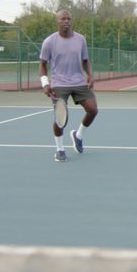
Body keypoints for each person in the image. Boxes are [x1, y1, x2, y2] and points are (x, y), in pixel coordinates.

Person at [40, 9, 98, 162]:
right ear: (57, 21)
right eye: (63, 18)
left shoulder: (80, 39)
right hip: (59, 84)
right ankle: (59, 149)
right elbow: (43, 64)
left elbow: (85, 60)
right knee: (60, 117)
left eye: (69, 19)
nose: (66, 21)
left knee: (93, 110)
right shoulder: (49, 42)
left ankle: (78, 135)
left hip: (79, 81)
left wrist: (90, 75)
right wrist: (45, 84)